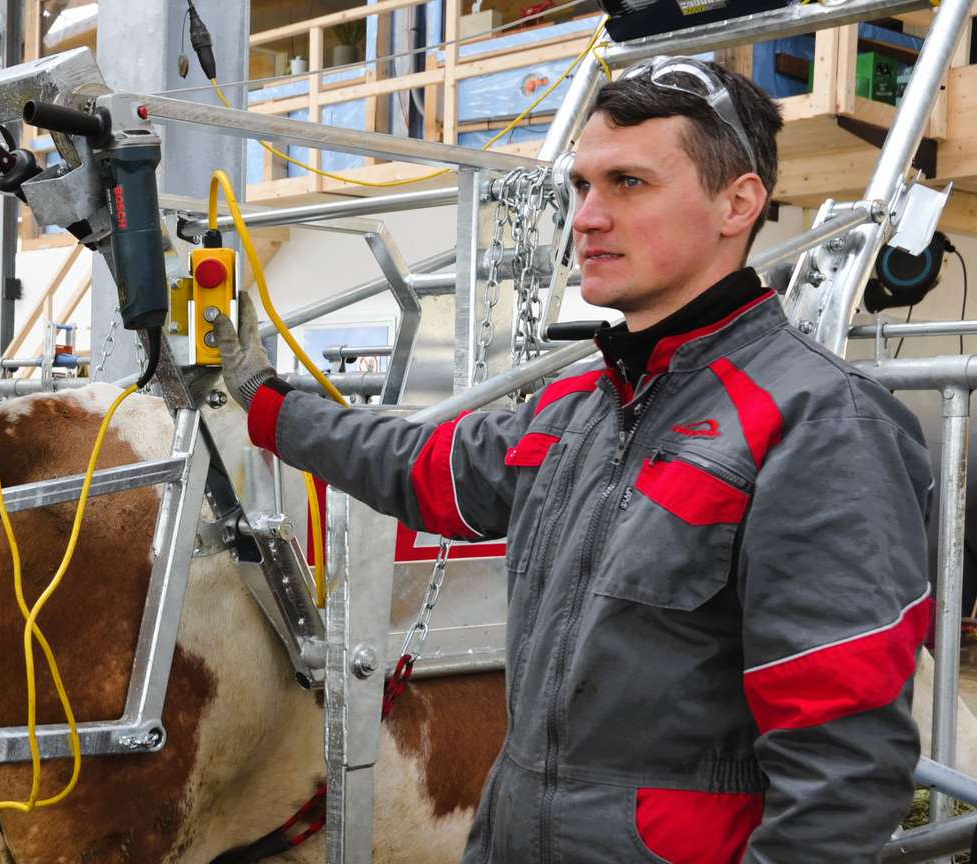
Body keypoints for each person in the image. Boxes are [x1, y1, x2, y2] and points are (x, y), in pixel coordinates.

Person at [212, 57, 933, 862]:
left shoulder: (819, 422)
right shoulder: (577, 407)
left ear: (738, 203)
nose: (587, 216)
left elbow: (842, 775)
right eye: (582, 187)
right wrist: (264, 400)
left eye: (628, 183)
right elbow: (419, 466)